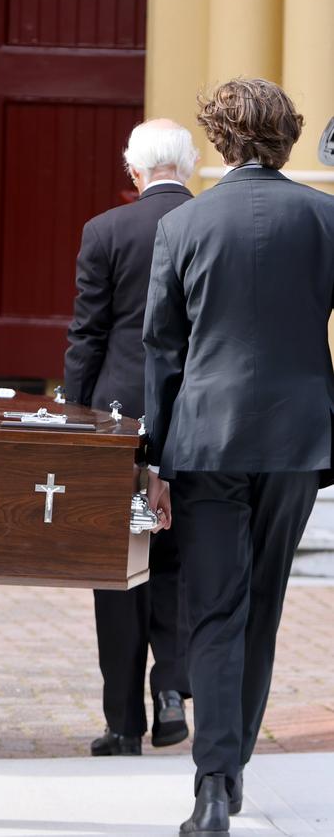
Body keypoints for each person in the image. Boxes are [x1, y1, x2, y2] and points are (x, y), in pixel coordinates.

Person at [143, 78, 334, 835]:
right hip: (296, 436)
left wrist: (153, 458)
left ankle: (215, 783)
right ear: (287, 139)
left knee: (216, 608)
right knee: (263, 604)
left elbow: (161, 348)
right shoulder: (325, 217)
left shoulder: (185, 226)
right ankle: (231, 766)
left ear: (220, 143)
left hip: (206, 437)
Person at [65, 119, 196, 756]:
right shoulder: (210, 224)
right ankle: (172, 688)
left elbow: (87, 333)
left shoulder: (105, 231)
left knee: (117, 568)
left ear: (133, 170)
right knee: (179, 557)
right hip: (196, 415)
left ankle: (123, 722)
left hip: (118, 416)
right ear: (190, 166)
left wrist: (76, 413)